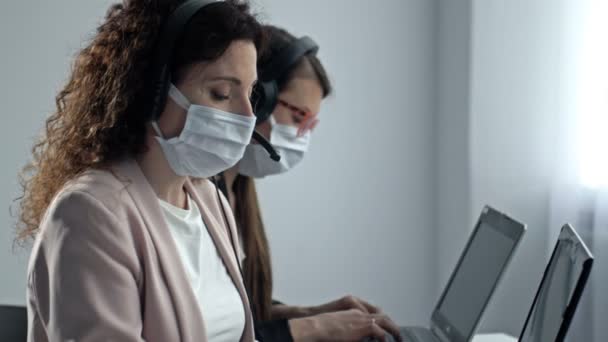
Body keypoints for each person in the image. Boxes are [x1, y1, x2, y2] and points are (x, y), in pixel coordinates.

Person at [17, 1, 266, 341]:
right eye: (222, 93)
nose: (247, 115)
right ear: (152, 91)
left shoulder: (210, 201)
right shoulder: (90, 212)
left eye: (250, 93)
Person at [220, 25, 404, 342]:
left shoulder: (238, 190)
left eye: (311, 124)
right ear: (257, 98)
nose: (303, 136)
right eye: (300, 117)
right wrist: (315, 329)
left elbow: (238, 317)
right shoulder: (197, 197)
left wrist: (310, 314)